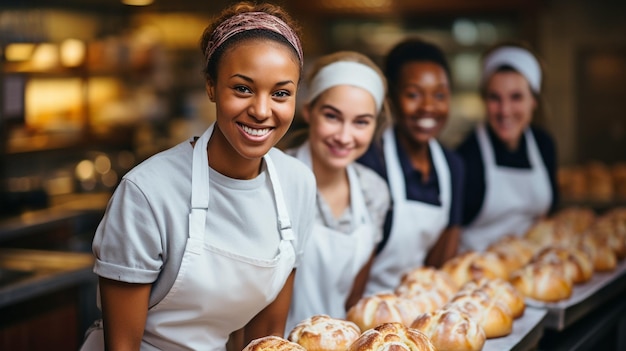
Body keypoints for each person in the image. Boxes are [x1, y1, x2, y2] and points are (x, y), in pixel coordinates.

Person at [79, 2, 316, 350]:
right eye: (243, 89)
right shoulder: (148, 192)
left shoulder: (297, 183)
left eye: (281, 93)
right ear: (210, 86)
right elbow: (123, 346)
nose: (262, 111)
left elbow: (266, 339)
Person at [282, 51, 391, 333]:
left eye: (361, 122)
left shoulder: (374, 192)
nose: (344, 137)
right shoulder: (274, 177)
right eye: (332, 116)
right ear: (308, 111)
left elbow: (353, 296)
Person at [357, 38, 465, 295]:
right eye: (413, 94)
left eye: (439, 95)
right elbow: (354, 263)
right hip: (365, 307)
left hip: (421, 304)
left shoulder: (452, 167)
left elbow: (441, 263)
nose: (428, 107)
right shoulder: (370, 162)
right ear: (391, 99)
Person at [456, 42, 558, 252]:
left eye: (516, 97)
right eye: (495, 98)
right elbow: (451, 232)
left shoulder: (543, 145)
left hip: (531, 270)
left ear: (533, 101)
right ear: (484, 100)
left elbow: (546, 218)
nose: (505, 111)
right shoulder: (465, 156)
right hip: (477, 274)